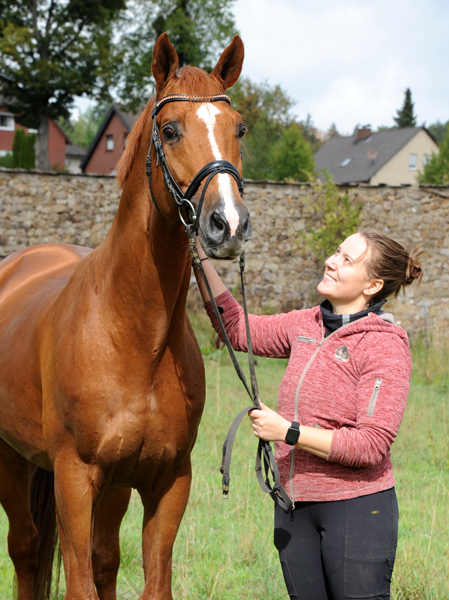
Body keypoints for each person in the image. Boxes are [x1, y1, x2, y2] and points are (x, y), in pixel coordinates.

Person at [193, 228, 423, 600]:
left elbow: (370, 445)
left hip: (357, 510)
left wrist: (289, 431)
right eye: (336, 251)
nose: (331, 261)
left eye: (347, 260)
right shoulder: (307, 323)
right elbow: (236, 329)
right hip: (293, 508)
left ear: (373, 285)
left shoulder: (384, 345)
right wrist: (198, 258)